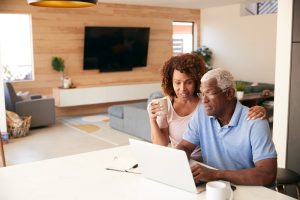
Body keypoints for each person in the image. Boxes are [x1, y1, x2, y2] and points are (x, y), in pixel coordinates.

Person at [148, 53, 267, 161]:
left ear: (196, 82)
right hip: (183, 159)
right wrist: (152, 119)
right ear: (171, 82)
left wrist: (259, 109)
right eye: (177, 82)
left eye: (188, 82)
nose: (183, 88)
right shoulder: (165, 105)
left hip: (209, 162)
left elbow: (232, 110)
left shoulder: (207, 103)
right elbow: (162, 145)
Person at [176, 68, 277, 186]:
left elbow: (267, 174)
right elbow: (185, 146)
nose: (204, 100)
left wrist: (216, 174)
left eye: (209, 92)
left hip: (249, 189)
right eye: (202, 93)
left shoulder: (255, 121)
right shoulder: (201, 114)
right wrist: (176, 163)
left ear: (229, 93)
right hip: (215, 187)